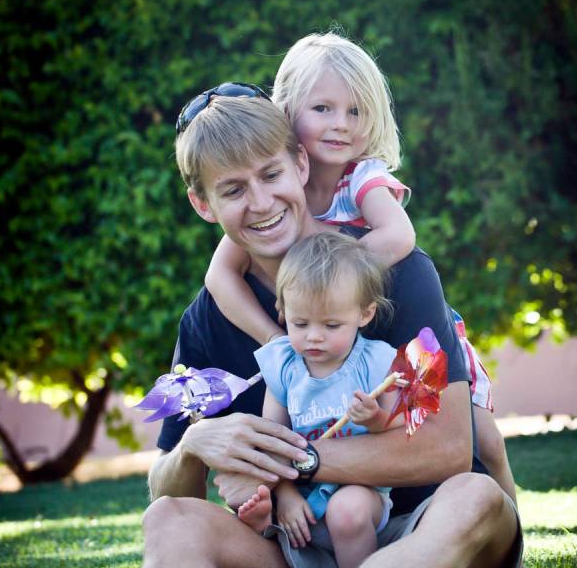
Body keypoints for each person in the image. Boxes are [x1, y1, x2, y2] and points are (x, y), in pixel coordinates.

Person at [65, 90, 522, 568]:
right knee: (169, 521)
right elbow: (165, 485)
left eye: (271, 174)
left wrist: (302, 460)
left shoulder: (399, 277)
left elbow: (450, 449)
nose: (260, 203)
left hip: (428, 534)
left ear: (300, 167)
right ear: (203, 205)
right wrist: (192, 446)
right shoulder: (205, 320)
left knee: (476, 496)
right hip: (300, 549)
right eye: (232, 190)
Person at [203, 32, 518, 509]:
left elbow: (399, 237)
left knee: (484, 440)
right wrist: (274, 339)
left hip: (419, 327)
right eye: (323, 109)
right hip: (331, 333)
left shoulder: (364, 177)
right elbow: (218, 277)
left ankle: (510, 528)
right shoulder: (276, 192)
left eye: (356, 112)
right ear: (287, 111)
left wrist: (334, 271)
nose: (341, 125)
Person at [238, 232, 404, 568]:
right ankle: (264, 526)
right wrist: (283, 495)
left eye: (331, 325)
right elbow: (274, 440)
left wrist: (374, 419)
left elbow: (397, 422)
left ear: (364, 313)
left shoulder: (374, 362)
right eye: (301, 324)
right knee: (249, 494)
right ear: (282, 310)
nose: (314, 336)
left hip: (359, 490)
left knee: (347, 510)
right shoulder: (285, 366)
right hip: (298, 496)